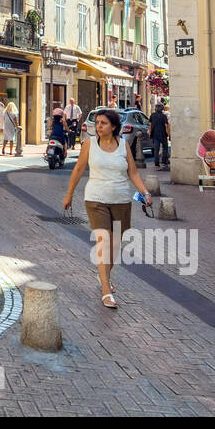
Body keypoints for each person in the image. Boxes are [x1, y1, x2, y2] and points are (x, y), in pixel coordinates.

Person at [62, 109, 151, 309]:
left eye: (103, 123)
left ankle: (103, 276)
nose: (98, 126)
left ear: (113, 126)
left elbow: (133, 172)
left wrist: (145, 192)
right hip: (95, 199)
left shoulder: (123, 146)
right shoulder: (89, 144)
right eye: (97, 123)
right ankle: (106, 290)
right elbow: (78, 169)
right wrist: (69, 194)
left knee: (116, 246)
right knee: (104, 241)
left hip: (121, 199)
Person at [149, 103, 171, 170]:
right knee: (165, 148)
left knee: (156, 149)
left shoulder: (152, 115)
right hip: (163, 134)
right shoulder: (163, 116)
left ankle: (156, 163)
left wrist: (150, 132)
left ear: (155, 109)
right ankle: (164, 162)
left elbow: (150, 124)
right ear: (162, 109)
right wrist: (169, 134)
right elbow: (166, 125)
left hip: (155, 134)